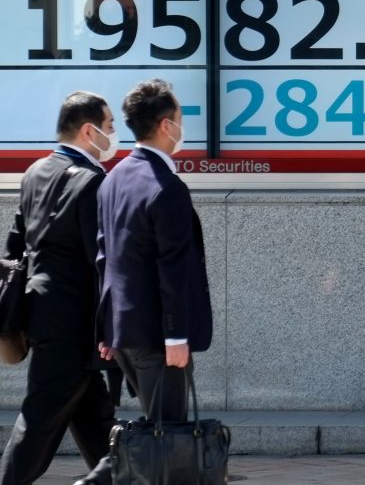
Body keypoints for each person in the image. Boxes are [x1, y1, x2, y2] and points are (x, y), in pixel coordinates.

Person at [76, 79, 212, 485]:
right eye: (181, 120)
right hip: (157, 335)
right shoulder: (166, 187)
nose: (182, 128)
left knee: (156, 428)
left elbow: (105, 258)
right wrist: (176, 337)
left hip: (123, 331)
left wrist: (105, 329)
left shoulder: (112, 178)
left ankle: (101, 476)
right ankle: (100, 479)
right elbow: (173, 267)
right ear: (167, 125)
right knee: (166, 434)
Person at [0, 92, 119, 485]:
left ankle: (126, 477)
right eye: (109, 125)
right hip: (74, 321)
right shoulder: (93, 180)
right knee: (40, 418)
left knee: (96, 418)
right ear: (89, 131)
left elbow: (15, 245)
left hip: (42, 311)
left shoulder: (35, 171)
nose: (114, 133)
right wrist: (112, 325)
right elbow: (100, 260)